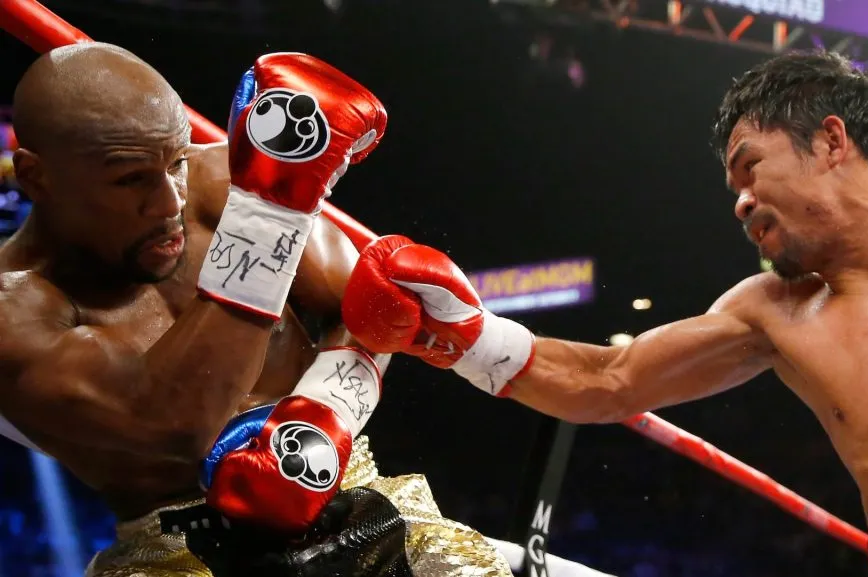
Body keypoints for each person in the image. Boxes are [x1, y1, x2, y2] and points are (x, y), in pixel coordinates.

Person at [340, 50, 868, 576]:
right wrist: (464, 335)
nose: (741, 202)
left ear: (831, 140)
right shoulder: (774, 312)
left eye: (751, 167)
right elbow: (611, 379)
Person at [0, 43, 512, 577]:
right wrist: (269, 218)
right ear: (35, 177)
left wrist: (324, 413)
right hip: (177, 546)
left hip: (346, 487)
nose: (169, 201)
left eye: (175, 162)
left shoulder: (226, 185)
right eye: (130, 178)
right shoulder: (14, 309)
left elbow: (372, 310)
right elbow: (175, 427)